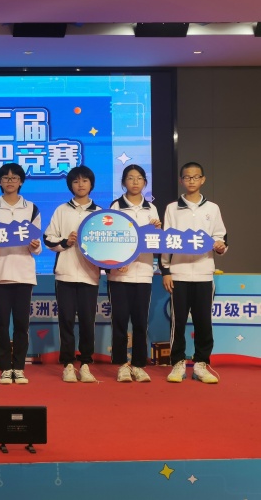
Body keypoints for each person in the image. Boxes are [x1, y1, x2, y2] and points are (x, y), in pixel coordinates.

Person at [161, 161, 228, 384]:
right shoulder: (172, 208)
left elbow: (220, 236)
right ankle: (178, 363)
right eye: (187, 177)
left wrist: (220, 246)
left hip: (204, 273)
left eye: (196, 177)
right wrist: (166, 270)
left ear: (203, 179)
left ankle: (201, 363)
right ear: (181, 180)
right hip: (178, 274)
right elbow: (166, 241)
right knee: (178, 322)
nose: (191, 181)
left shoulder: (212, 208)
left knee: (203, 322)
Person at [0, 163, 41, 385]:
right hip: (0, 274)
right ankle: (5, 368)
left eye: (14, 178)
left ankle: (19, 367)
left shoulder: (32, 208)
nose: (10, 181)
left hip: (24, 274)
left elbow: (37, 246)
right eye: (6, 178)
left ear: (21, 182)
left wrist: (34, 245)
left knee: (21, 324)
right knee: (1, 325)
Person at [43, 165, 102, 383]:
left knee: (87, 321)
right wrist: (66, 242)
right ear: (70, 185)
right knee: (66, 320)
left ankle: (85, 364)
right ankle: (68, 364)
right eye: (76, 181)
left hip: (89, 275)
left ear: (91, 184)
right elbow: (48, 238)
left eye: (84, 180)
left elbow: (106, 246)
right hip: (65, 274)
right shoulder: (61, 210)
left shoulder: (99, 213)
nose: (80, 185)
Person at [107, 165, 161, 383]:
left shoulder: (151, 209)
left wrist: (157, 231)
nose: (135, 182)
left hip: (144, 272)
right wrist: (117, 260)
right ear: (123, 182)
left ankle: (139, 365)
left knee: (140, 322)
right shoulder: (115, 207)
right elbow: (109, 238)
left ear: (145, 182)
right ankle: (121, 365)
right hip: (119, 275)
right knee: (120, 321)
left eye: (139, 178)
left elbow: (155, 242)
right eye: (130, 178)